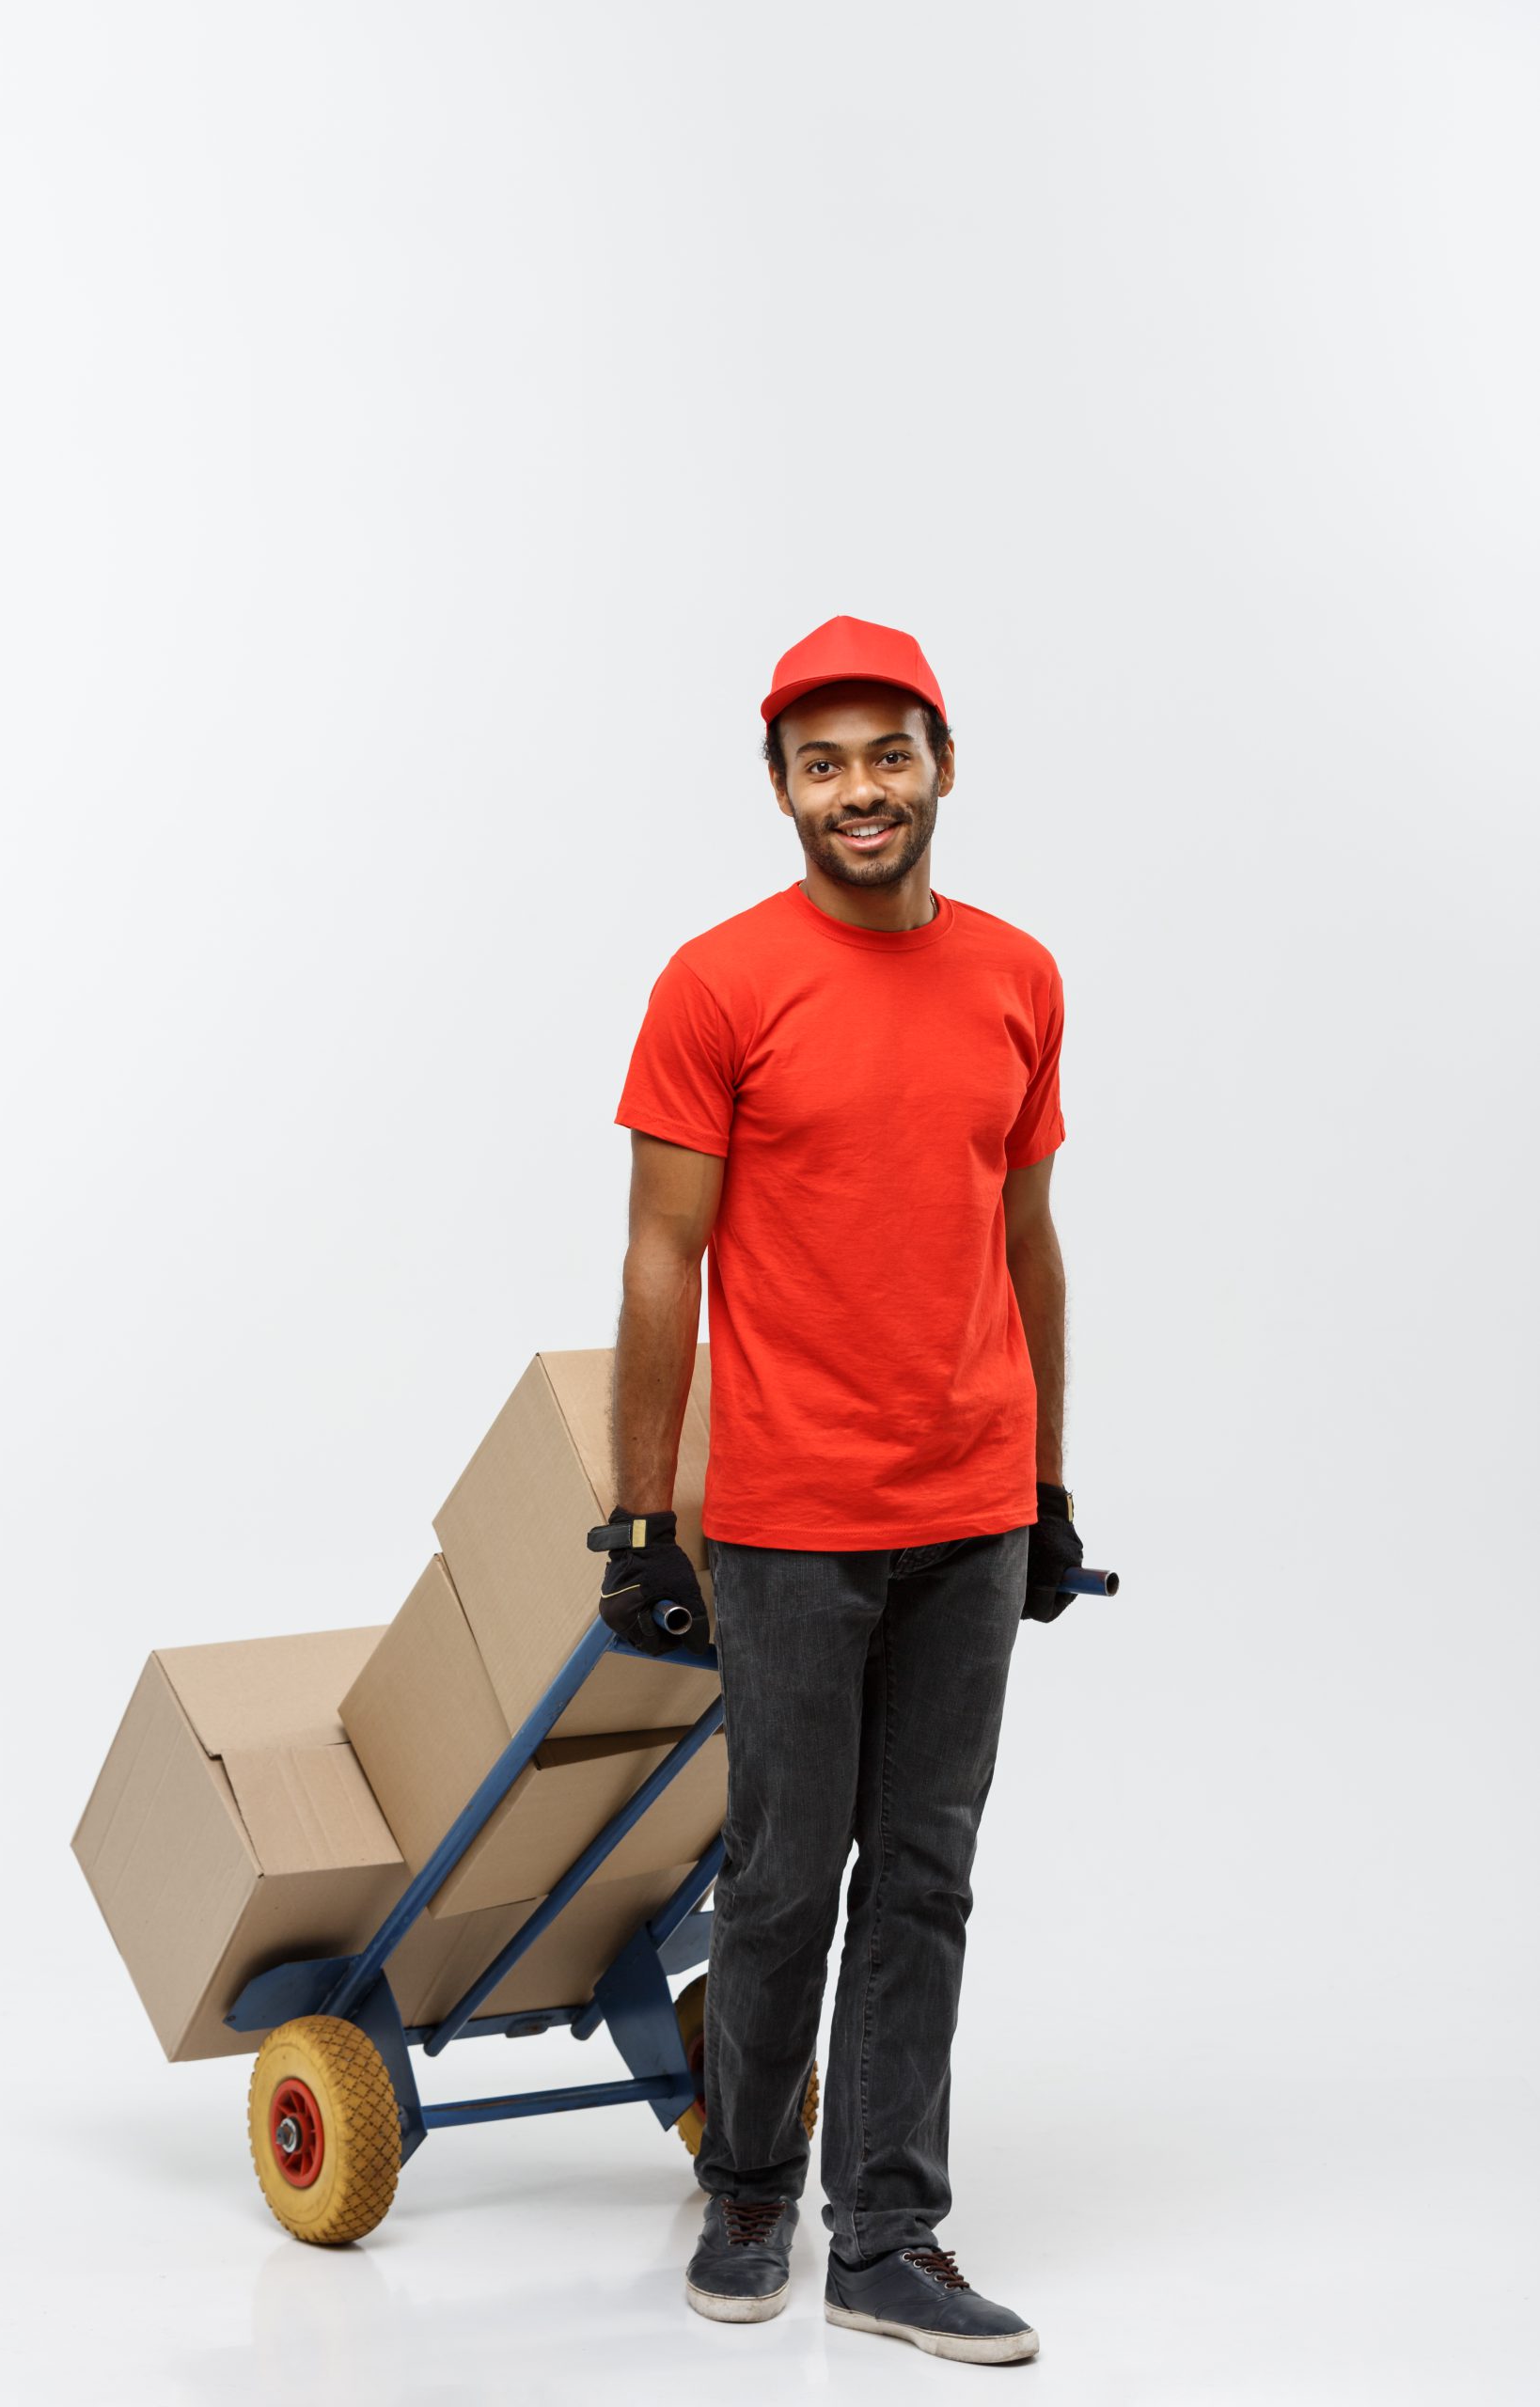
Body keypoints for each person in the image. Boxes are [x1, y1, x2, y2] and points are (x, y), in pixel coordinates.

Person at [593, 614, 1090, 2367]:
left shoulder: (1019, 976)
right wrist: (641, 1519)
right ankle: (747, 2190)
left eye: (890, 754)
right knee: (784, 1872)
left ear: (943, 765)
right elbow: (663, 1260)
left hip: (971, 1507)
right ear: (781, 789)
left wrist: (1047, 1482)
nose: (860, 790)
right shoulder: (719, 983)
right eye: (824, 765)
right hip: (793, 1516)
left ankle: (888, 2234)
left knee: (927, 1875)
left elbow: (1027, 1240)